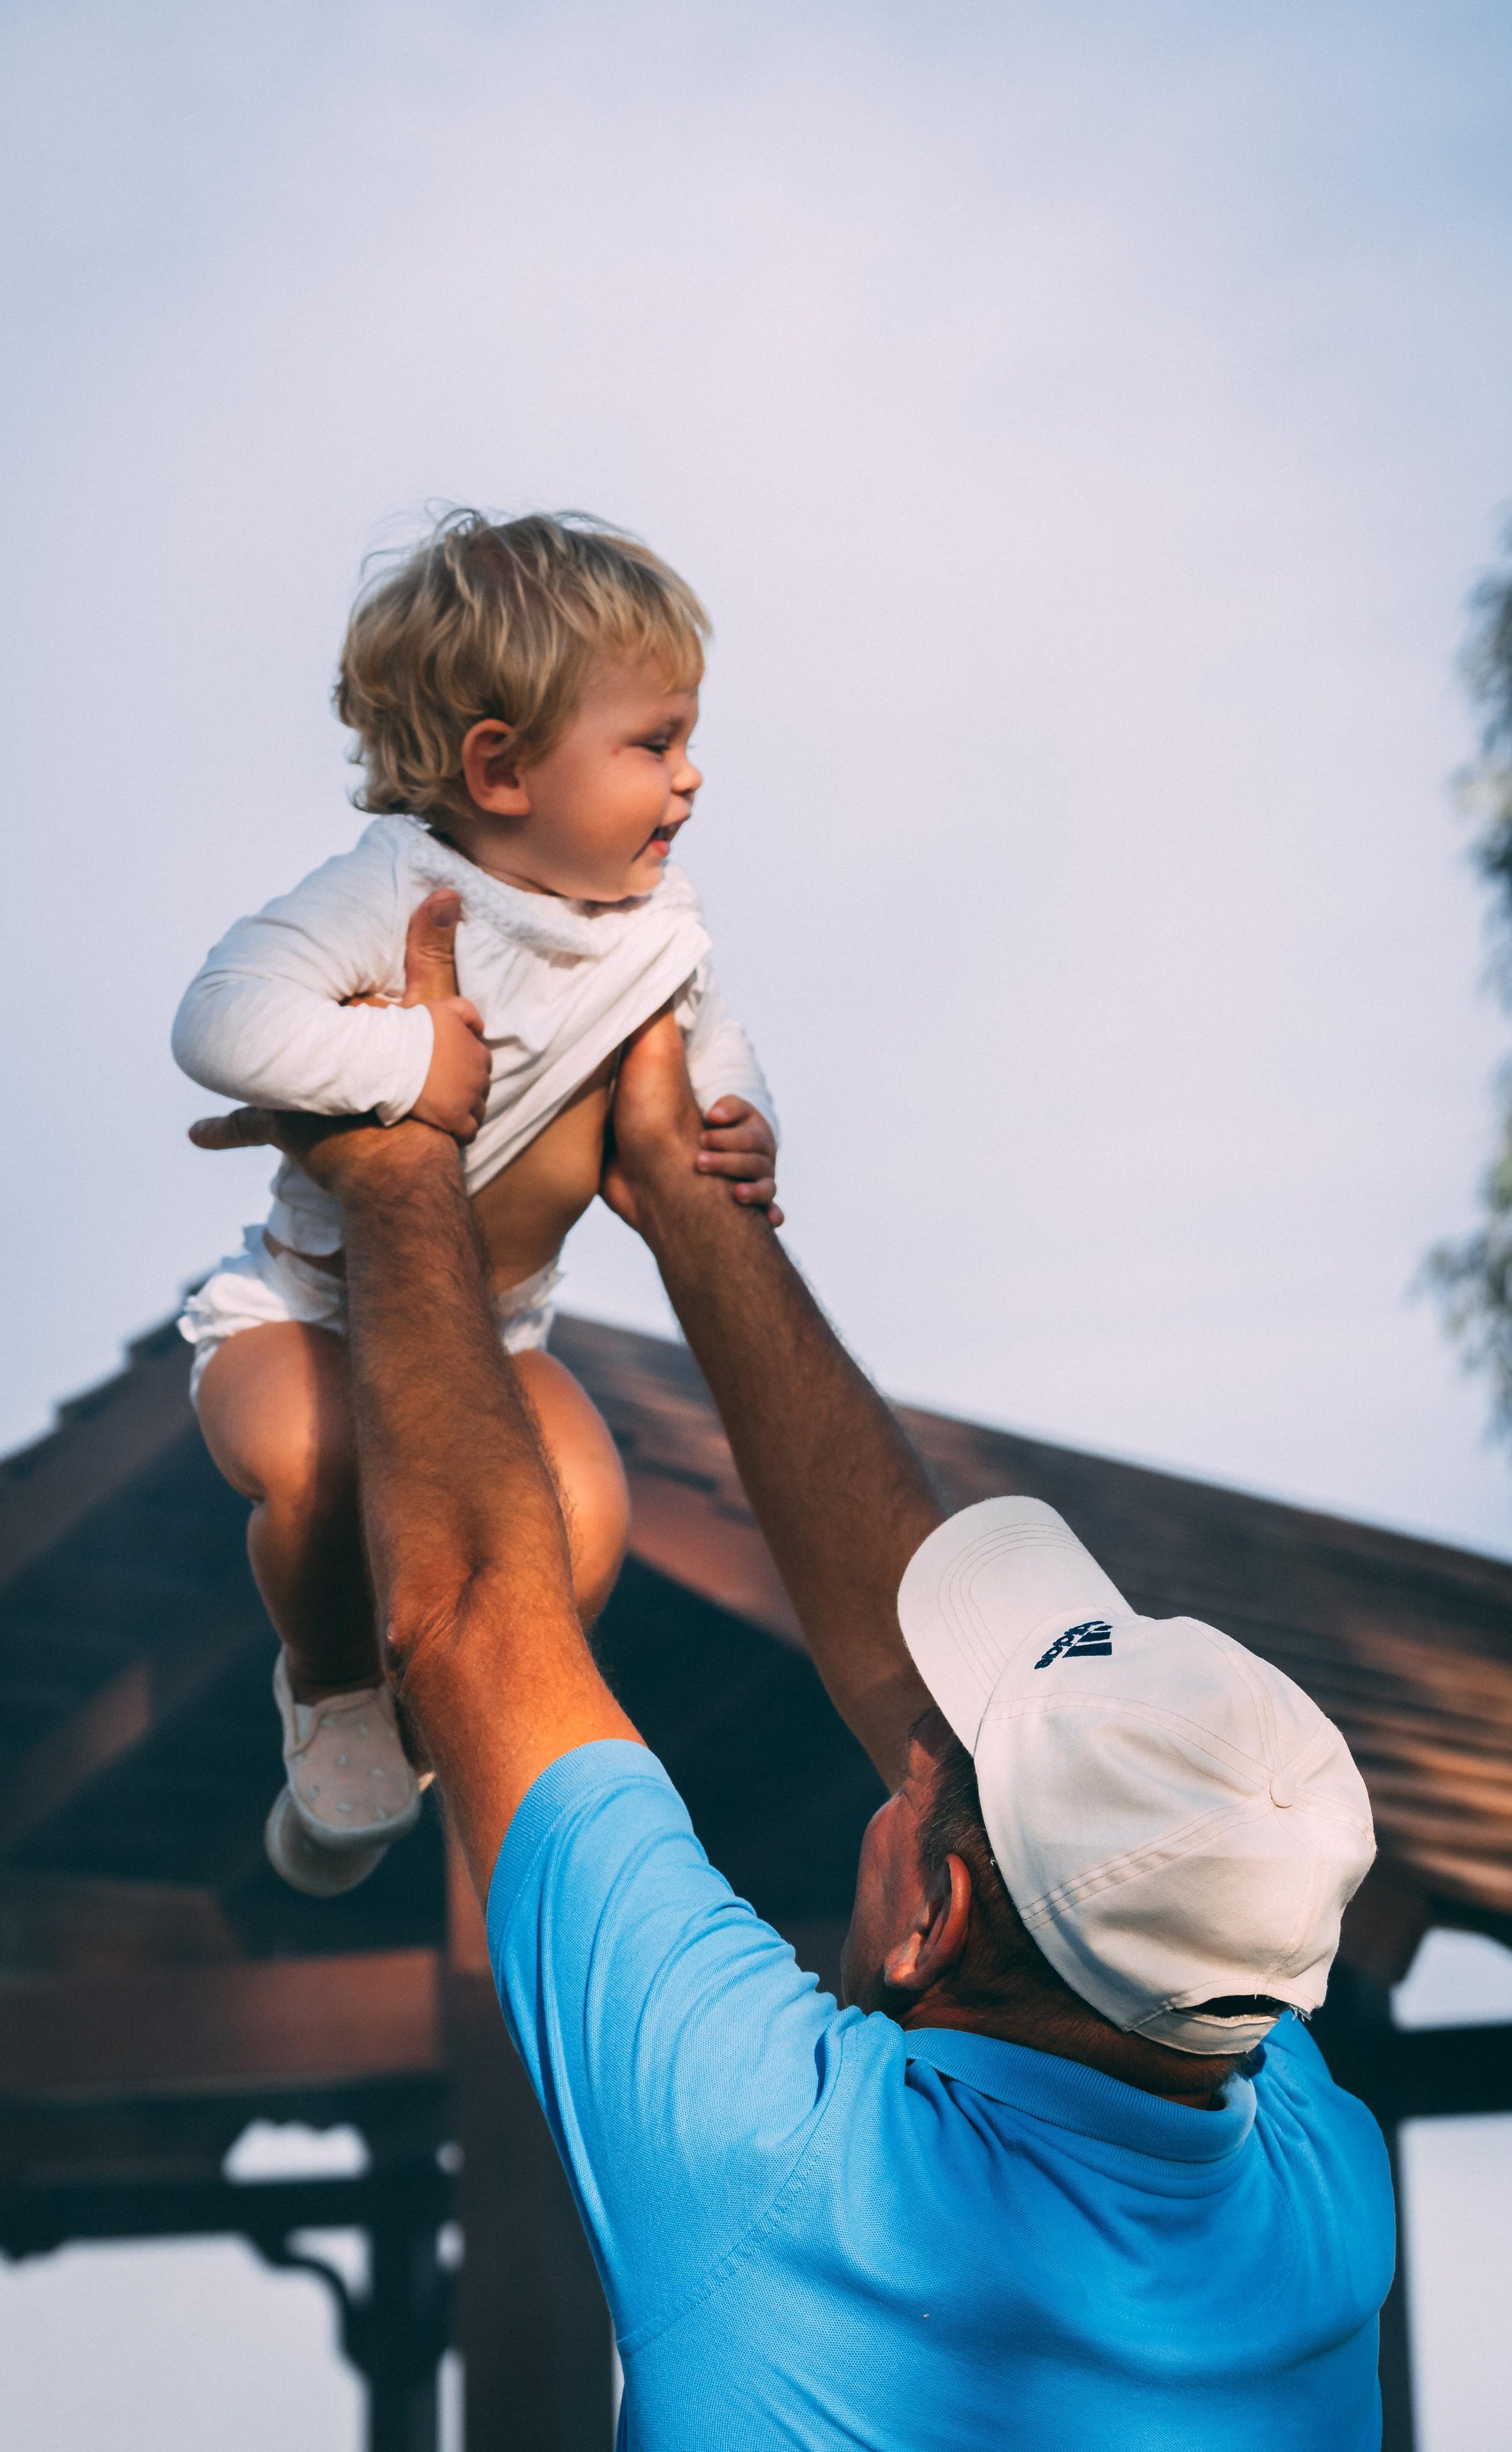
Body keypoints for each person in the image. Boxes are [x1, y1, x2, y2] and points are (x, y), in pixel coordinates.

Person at [194, 965, 1395, 2450]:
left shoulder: (780, 2161)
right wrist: (691, 1208)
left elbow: (468, 1626)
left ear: (927, 1919)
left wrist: (395, 1171)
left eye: (918, 1772)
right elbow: (1034, 1792)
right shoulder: (1313, 2190)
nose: (894, 1748)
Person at [170, 509, 779, 1894]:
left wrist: (741, 1131)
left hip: (496, 1334)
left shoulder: (656, 931)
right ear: (499, 768)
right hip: (306, 1312)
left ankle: (422, 1698)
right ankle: (328, 1685)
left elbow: (713, 1055)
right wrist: (402, 1061)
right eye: (652, 743)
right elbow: (219, 1020)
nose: (689, 781)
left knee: (585, 1523)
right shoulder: (393, 890)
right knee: (315, 1473)